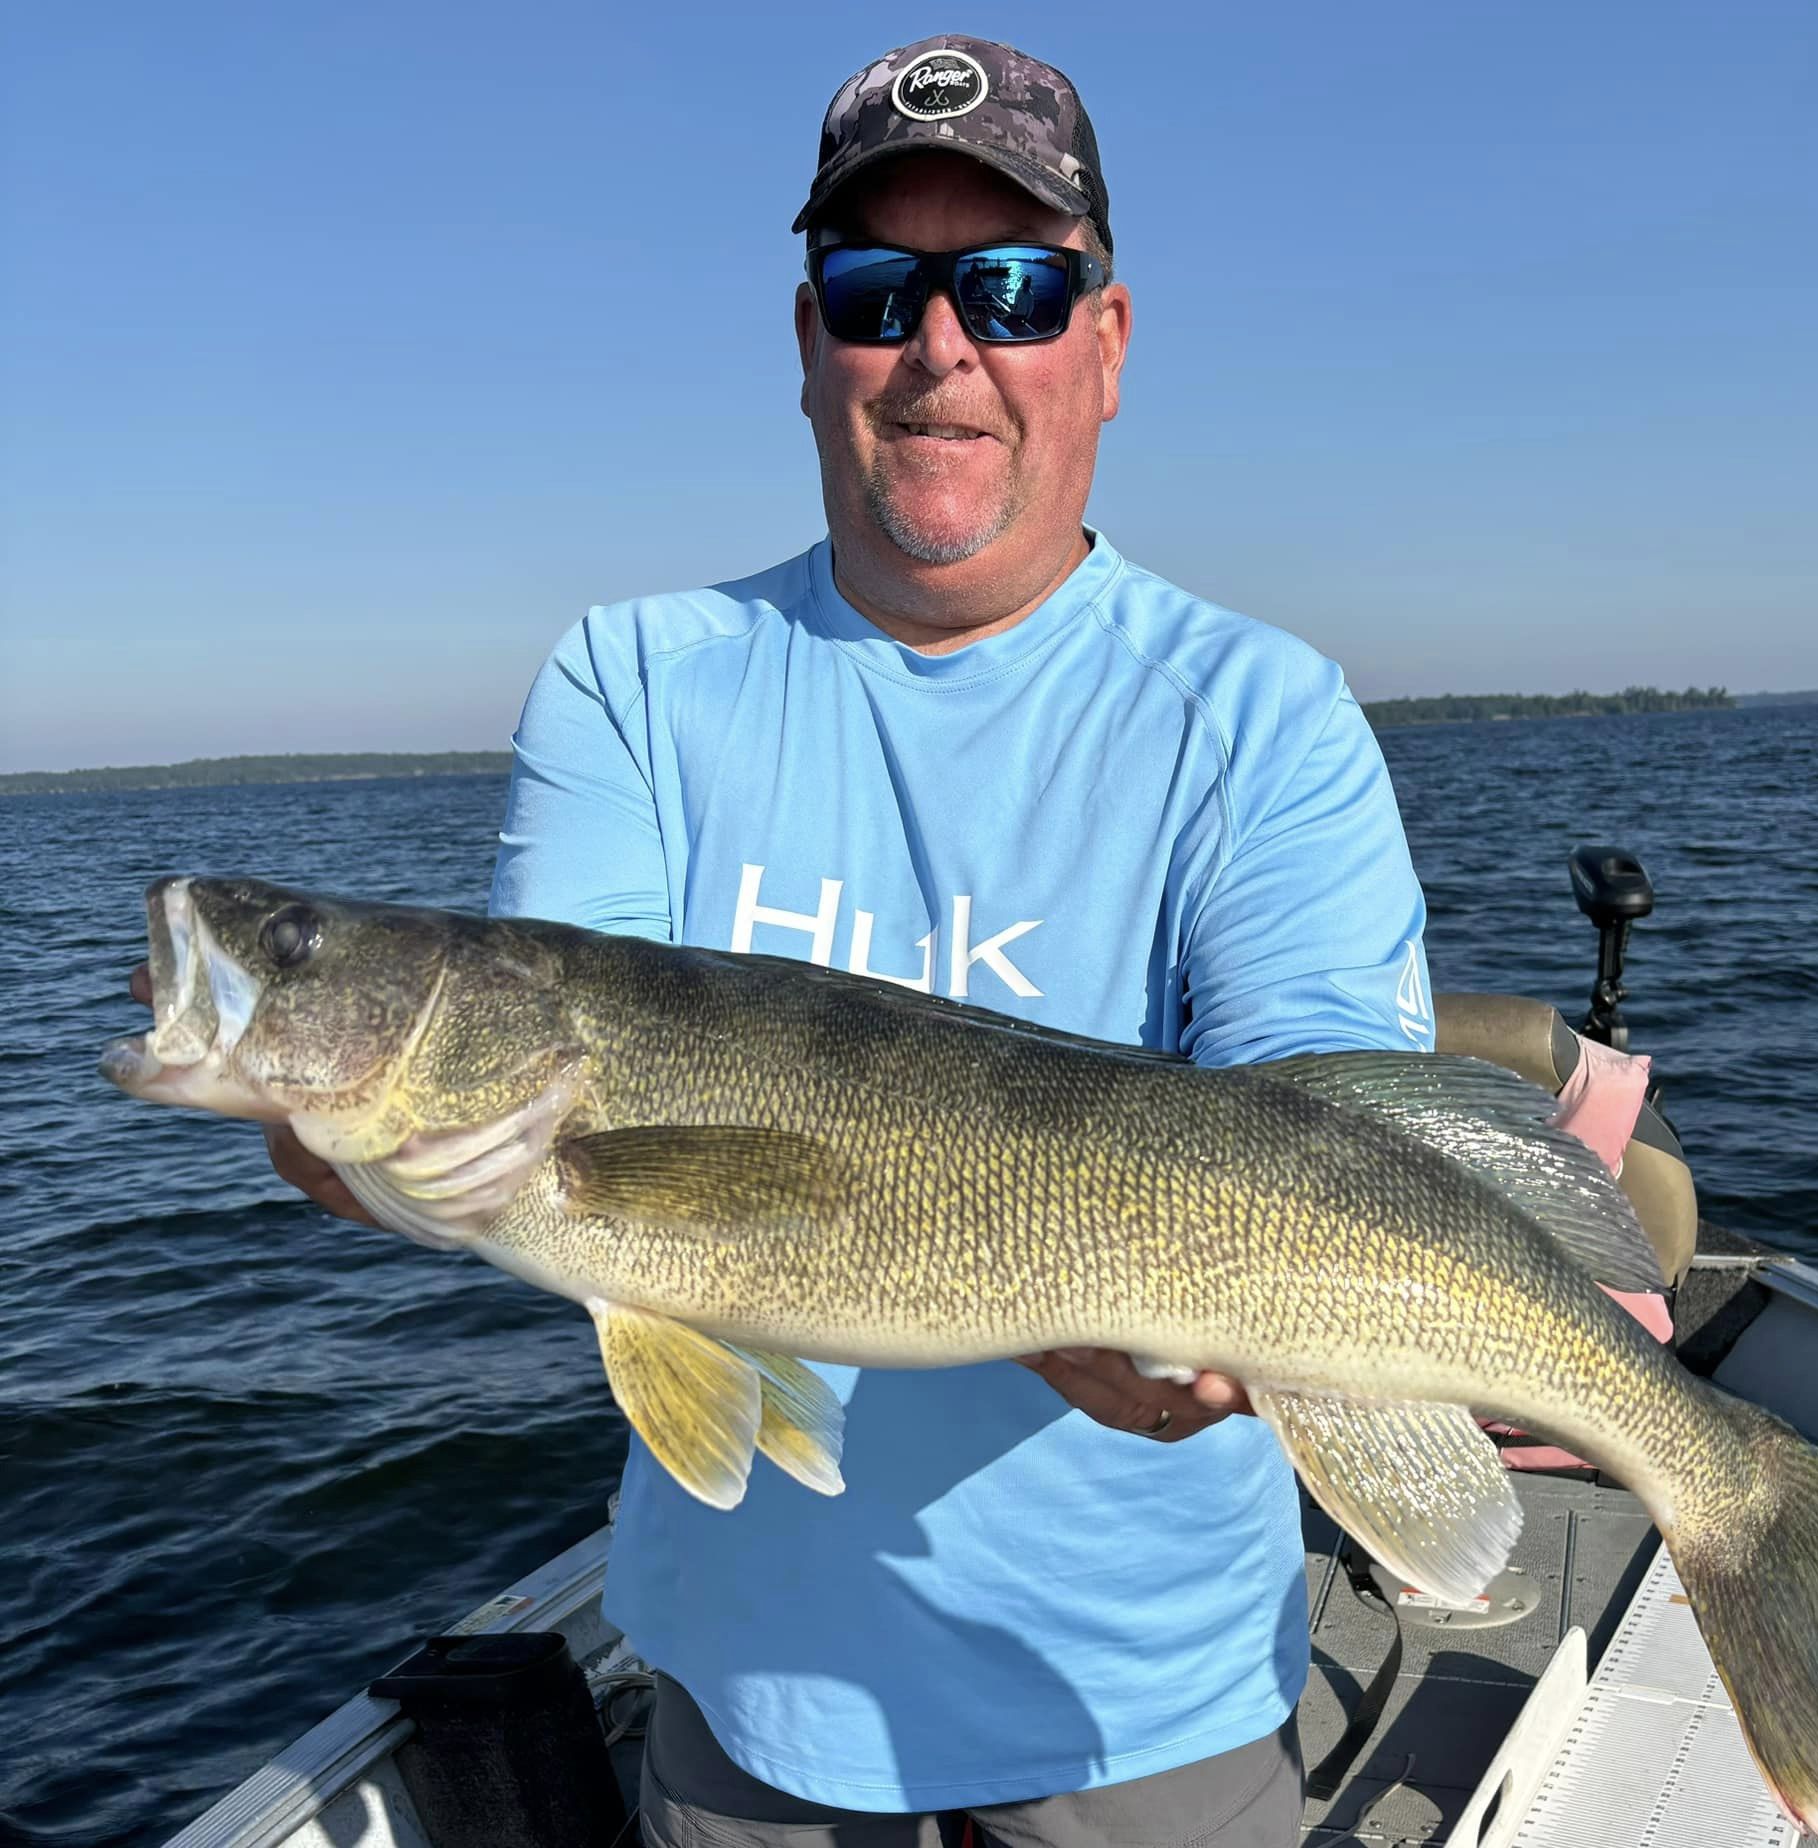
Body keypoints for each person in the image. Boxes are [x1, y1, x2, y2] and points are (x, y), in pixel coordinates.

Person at [261, 34, 1434, 1848]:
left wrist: (1223, 1351)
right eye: (878, 291)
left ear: (1107, 348)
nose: (943, 346)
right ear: (810, 346)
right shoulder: (632, 686)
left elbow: (1321, 1123)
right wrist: (334, 1101)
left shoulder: (1261, 715)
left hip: (1142, 1696)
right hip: (748, 1691)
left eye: (1017, 287)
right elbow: (548, 1133)